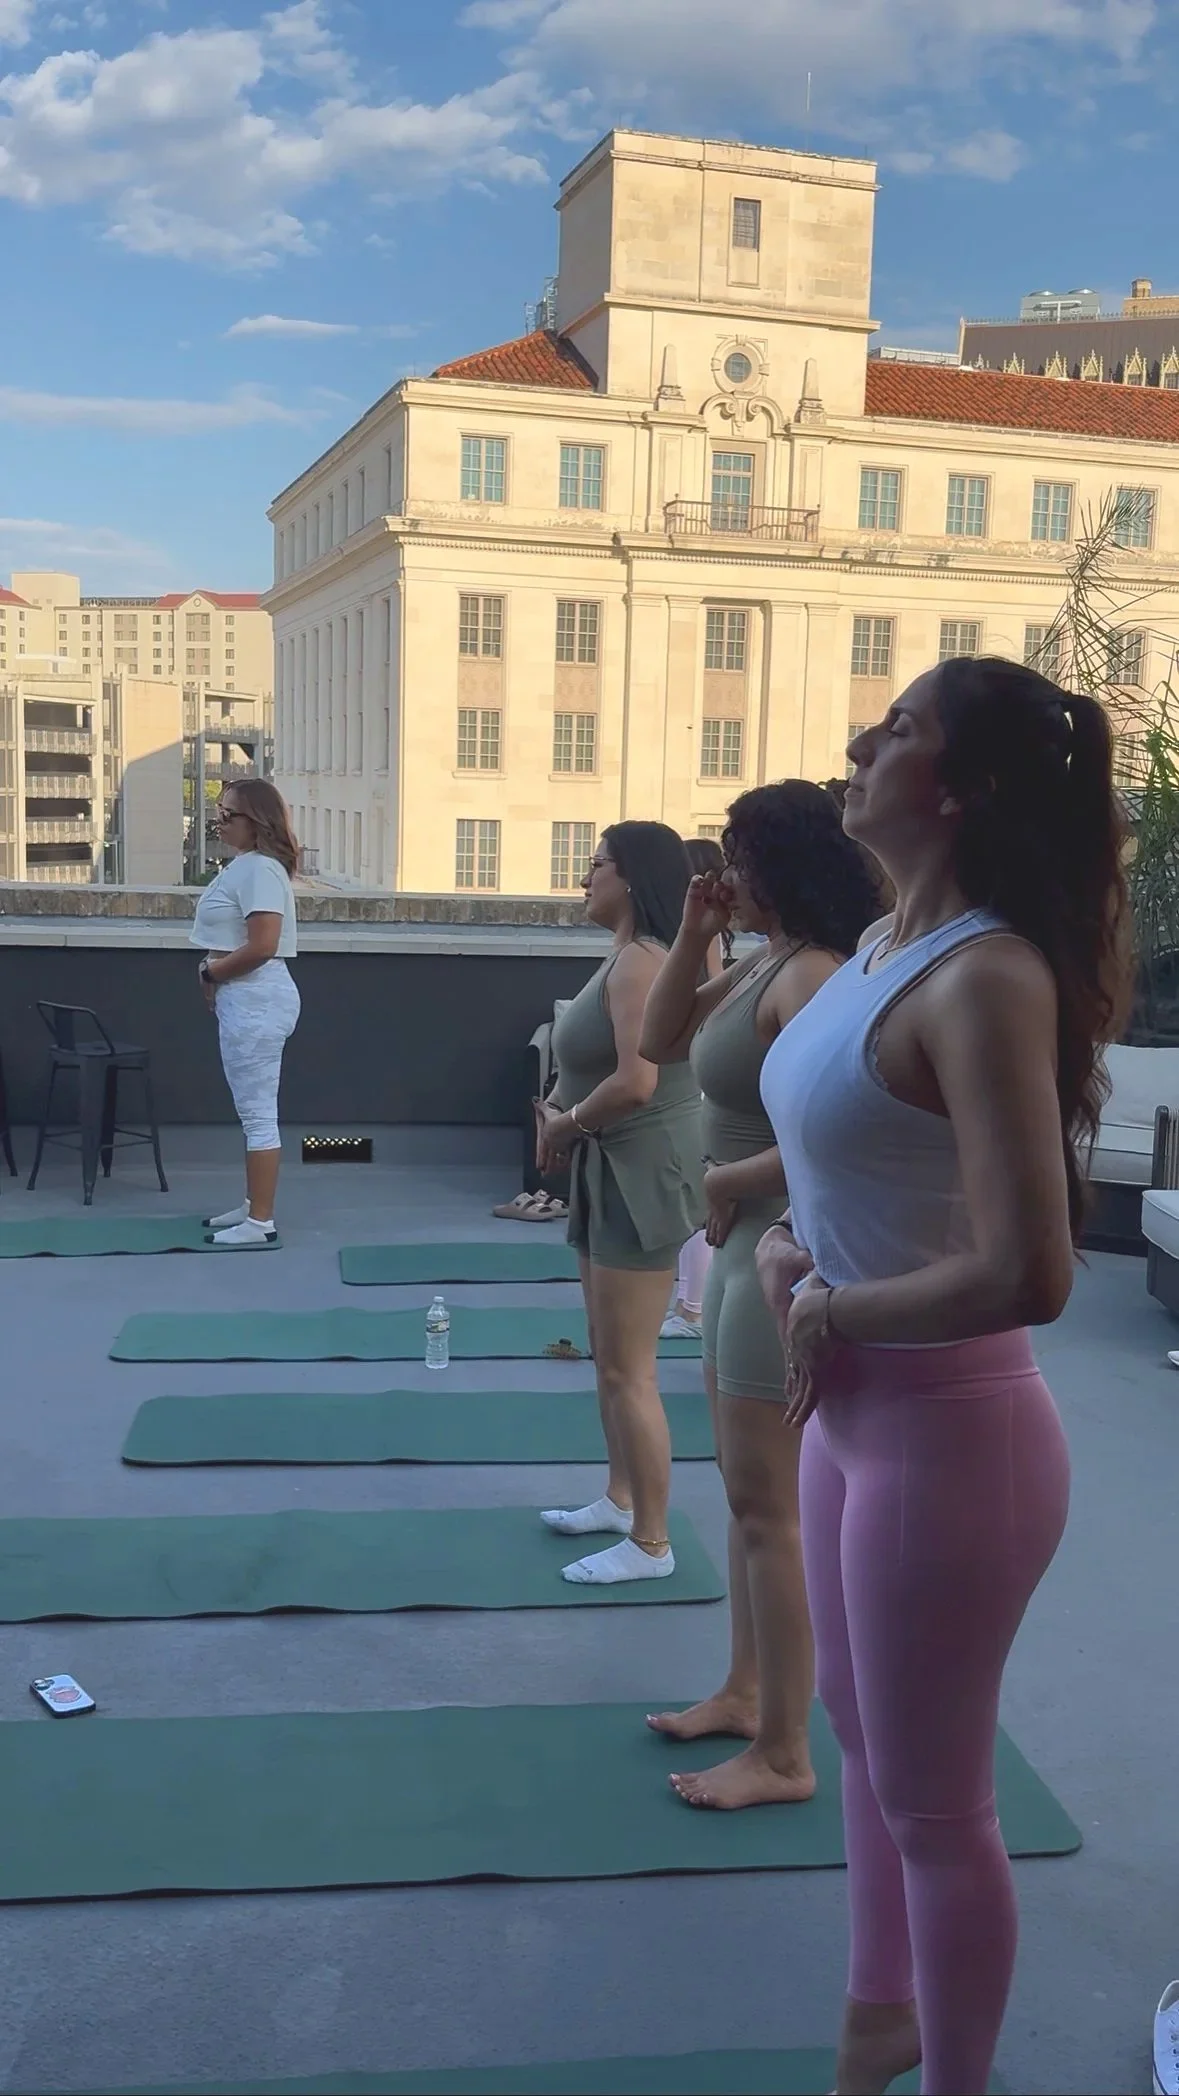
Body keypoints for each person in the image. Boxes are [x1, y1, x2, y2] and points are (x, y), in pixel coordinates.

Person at [757, 658, 1132, 2095]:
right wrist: (796, 1241)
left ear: (962, 788)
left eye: (897, 729)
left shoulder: (985, 976)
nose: (859, 744)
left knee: (934, 1802)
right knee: (861, 1745)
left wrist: (833, 1305)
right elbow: (856, 1164)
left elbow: (1030, 1271)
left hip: (949, 1438)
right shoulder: (872, 949)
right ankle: (878, 2021)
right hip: (847, 1418)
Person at [640, 784, 879, 1809]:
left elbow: (838, 1128)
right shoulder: (761, 963)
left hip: (772, 1247)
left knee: (769, 1508)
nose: (723, 873)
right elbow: (659, 1042)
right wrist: (697, 937)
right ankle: (745, 1694)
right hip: (735, 1249)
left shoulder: (815, 974)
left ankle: (785, 1750)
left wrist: (732, 1179)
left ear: (781, 863)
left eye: (737, 855)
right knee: (745, 1502)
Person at [537, 821, 704, 1585]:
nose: (584, 878)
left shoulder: (641, 962)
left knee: (630, 1368)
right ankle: (619, 1499)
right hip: (607, 1167)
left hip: (635, 1174)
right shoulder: (627, 954)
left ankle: (651, 1543)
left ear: (630, 876)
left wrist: (565, 1122)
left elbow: (637, 1082)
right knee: (608, 1357)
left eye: (595, 864)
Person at [191, 780, 302, 1248]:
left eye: (228, 814)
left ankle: (260, 1222)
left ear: (256, 822)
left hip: (257, 999)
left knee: (258, 1116)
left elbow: (262, 946)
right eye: (218, 811)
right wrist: (213, 973)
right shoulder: (246, 867)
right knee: (251, 1113)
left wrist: (212, 972)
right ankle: (252, 1205)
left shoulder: (260, 870)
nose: (218, 821)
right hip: (247, 999)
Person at [662, 837, 731, 1341]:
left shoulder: (704, 935)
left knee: (695, 1190)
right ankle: (690, 1303)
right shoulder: (701, 931)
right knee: (692, 1189)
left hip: (694, 1073)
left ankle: (692, 1308)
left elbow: (713, 991)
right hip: (691, 1065)